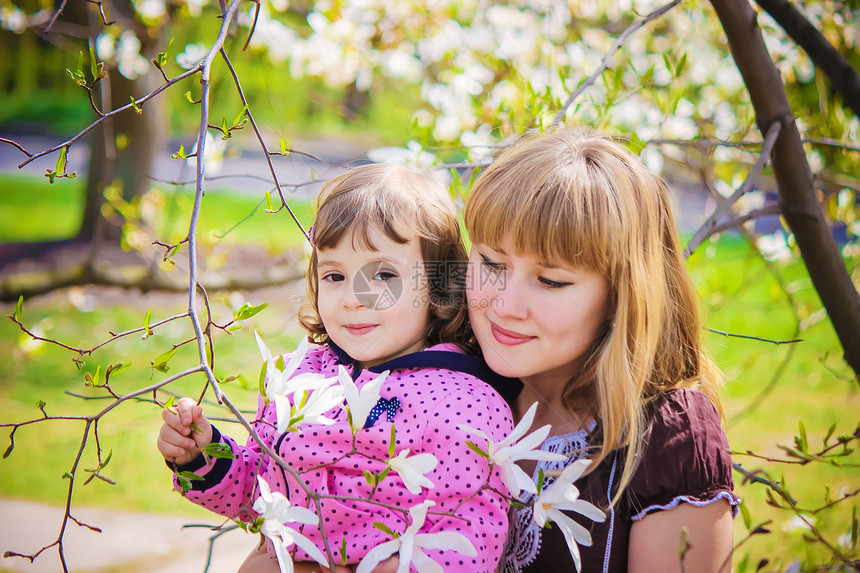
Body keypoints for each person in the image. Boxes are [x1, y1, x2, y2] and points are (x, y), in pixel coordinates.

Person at [157, 163, 516, 572]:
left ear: (436, 287)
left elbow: (473, 535)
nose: (353, 298)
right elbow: (259, 492)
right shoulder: (297, 377)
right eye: (334, 275)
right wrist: (202, 457)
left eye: (383, 274)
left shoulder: (462, 403)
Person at [462, 127, 740, 572]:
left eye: (551, 281)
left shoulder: (668, 439)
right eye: (492, 264)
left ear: (621, 296)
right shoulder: (443, 379)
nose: (505, 305)